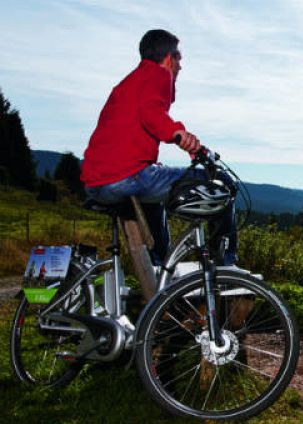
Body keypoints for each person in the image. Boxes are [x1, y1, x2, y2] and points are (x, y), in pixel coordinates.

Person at [80, 29, 237, 266]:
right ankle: (225, 264)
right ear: (168, 58)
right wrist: (179, 135)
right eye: (179, 58)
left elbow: (131, 127)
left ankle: (162, 270)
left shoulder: (132, 81)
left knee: (154, 206)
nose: (180, 66)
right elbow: (150, 112)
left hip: (99, 182)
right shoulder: (157, 74)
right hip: (126, 177)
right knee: (220, 182)